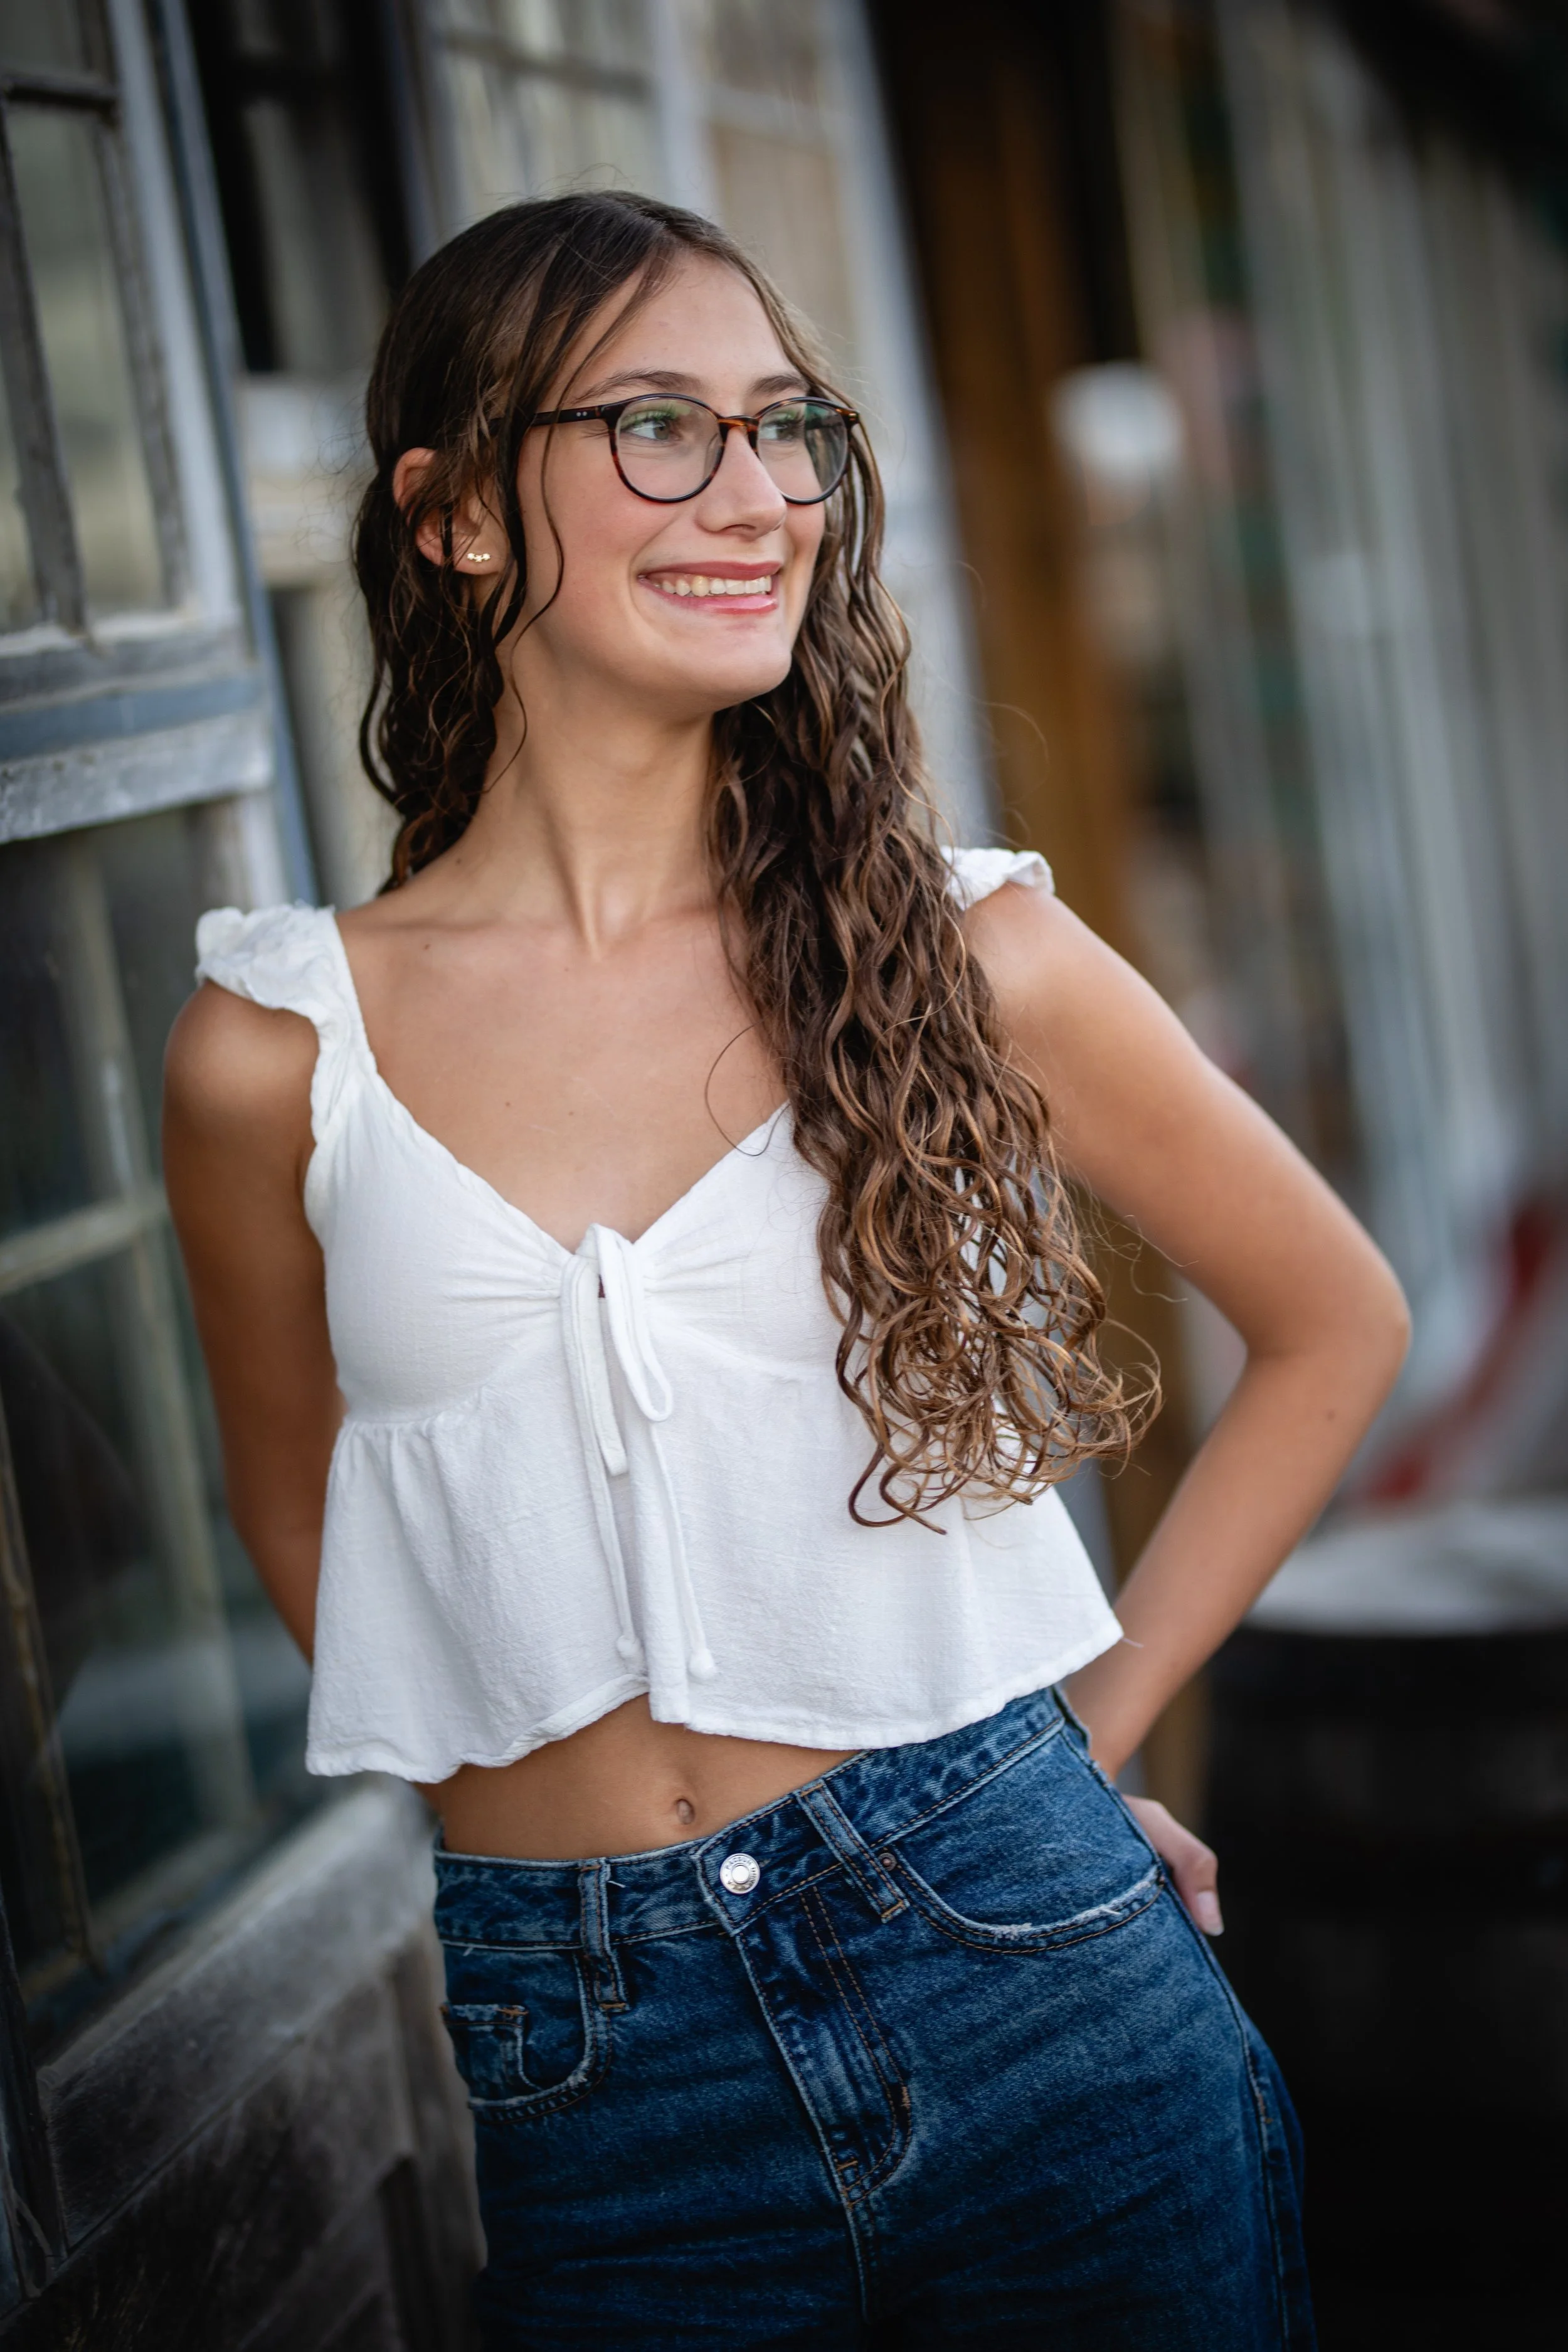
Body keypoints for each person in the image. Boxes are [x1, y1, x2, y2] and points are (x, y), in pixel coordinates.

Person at [164, 192, 1407, 2348]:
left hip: (1026, 1957)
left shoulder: (964, 941)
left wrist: (1085, 1750)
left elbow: (1329, 1320)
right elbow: (311, 1514)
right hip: (589, 2059)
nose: (757, 497)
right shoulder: (273, 1048)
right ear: (450, 517)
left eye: (784, 429)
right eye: (658, 425)